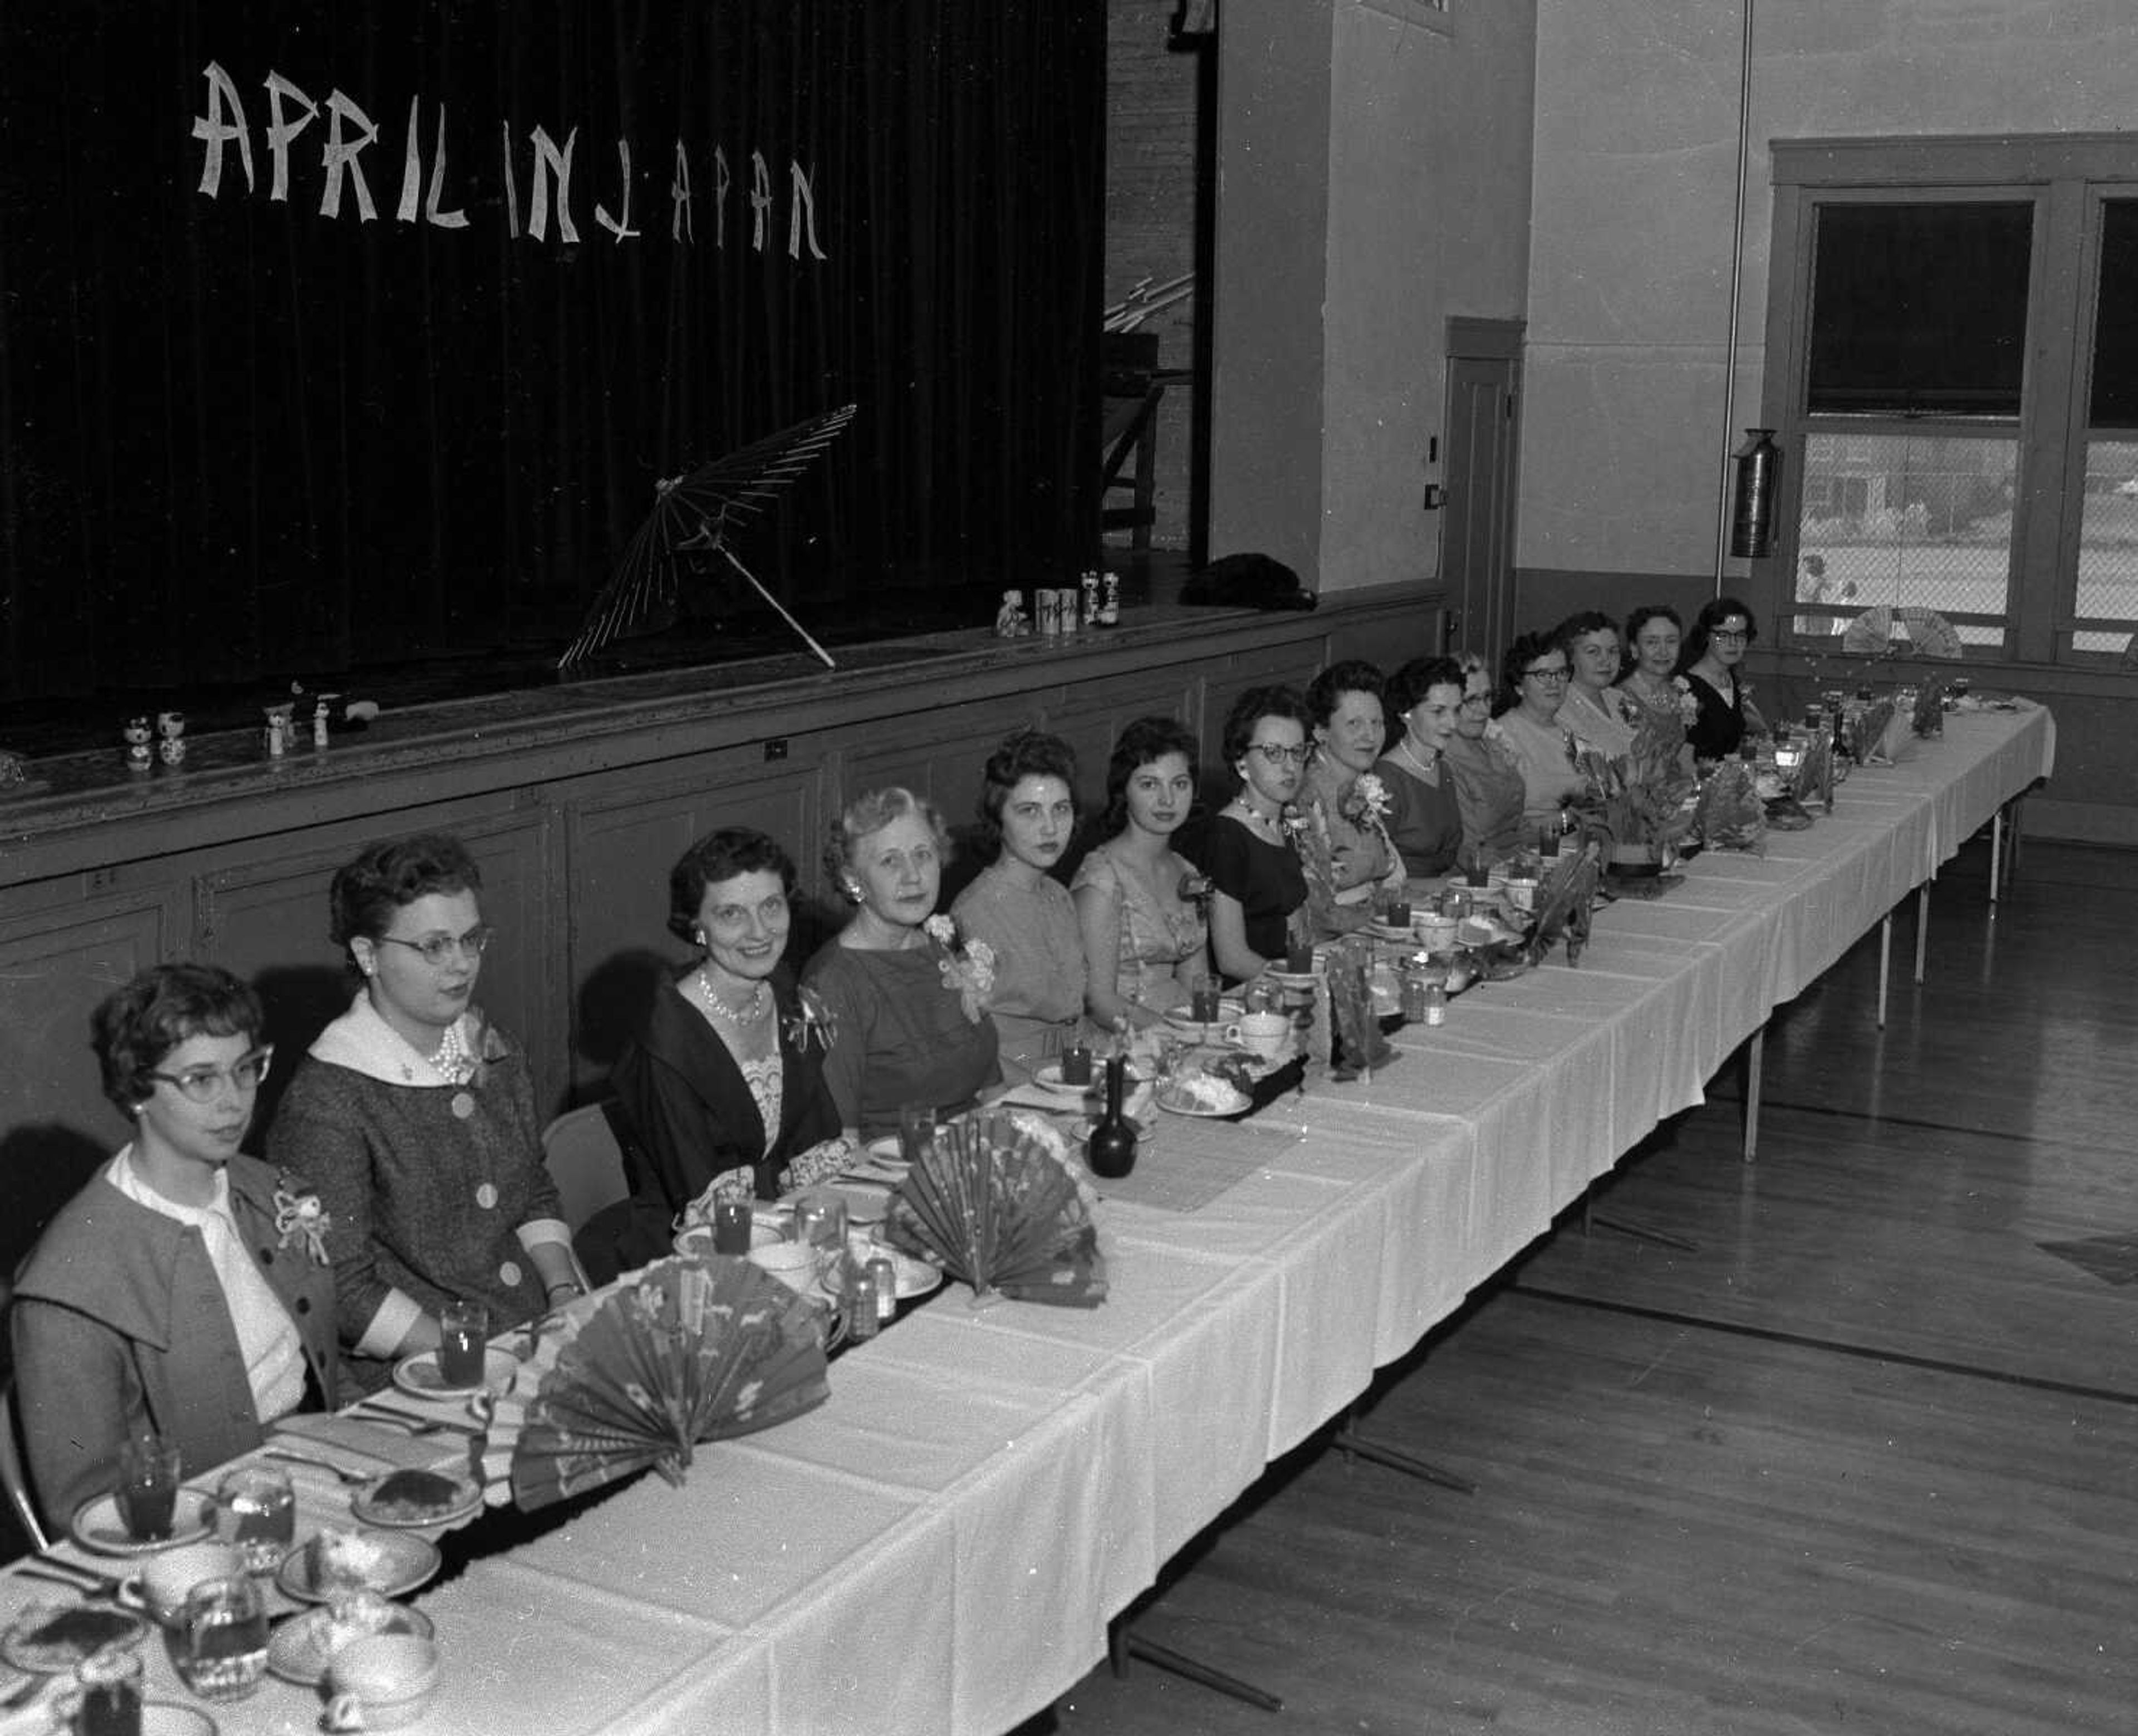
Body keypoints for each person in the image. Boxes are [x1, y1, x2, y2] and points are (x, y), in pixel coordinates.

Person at [13, 964, 339, 1527]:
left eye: (245, 1070)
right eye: (201, 1080)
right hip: (189, 1532)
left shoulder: (266, 1190)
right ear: (137, 1089)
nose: (235, 1102)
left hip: (317, 1470)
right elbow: (89, 1511)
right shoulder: (67, 1285)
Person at [267, 832, 581, 1395]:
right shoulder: (326, 1099)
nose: (461, 964)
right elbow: (340, 1283)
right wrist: (470, 1355)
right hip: (415, 1375)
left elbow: (530, 1188)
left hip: (525, 1337)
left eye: (471, 939)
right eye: (434, 946)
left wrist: (562, 1290)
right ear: (368, 955)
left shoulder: (492, 1045)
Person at [602, 828, 849, 1271]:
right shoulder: (663, 1038)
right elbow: (702, 1197)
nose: (759, 932)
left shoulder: (785, 995)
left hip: (783, 1232)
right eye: (732, 914)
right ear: (698, 927)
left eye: (771, 907)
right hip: (695, 1255)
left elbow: (815, 1145)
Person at [802, 788, 1002, 1137]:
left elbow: (991, 1091)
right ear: (853, 880)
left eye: (923, 855)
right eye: (890, 861)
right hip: (889, 1171)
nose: (913, 876)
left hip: (973, 1157)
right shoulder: (834, 981)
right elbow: (842, 1142)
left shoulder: (944, 944)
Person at [950, 729, 1090, 1080]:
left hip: (1072, 1069)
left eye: (1061, 810)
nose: (1049, 828)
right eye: (1029, 811)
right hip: (1014, 1082)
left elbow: (1076, 1017)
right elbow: (967, 1045)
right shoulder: (974, 912)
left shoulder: (1058, 895)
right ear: (999, 818)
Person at [1071, 715, 1211, 1027]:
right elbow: (1098, 1001)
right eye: (1149, 784)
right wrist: (1175, 1035)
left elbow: (1196, 984)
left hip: (1182, 1030)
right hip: (1122, 1040)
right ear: (1124, 790)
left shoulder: (1189, 872)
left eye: (1180, 784)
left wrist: (1207, 1033)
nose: (1167, 799)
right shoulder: (1102, 878)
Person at [1202, 685, 1313, 983]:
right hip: (1248, 996)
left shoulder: (1281, 822)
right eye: (1273, 753)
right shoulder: (1227, 835)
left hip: (1286, 979)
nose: (1290, 767)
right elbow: (1231, 958)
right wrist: (1299, 984)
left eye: (1298, 752)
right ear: (1241, 761)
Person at [1296, 661, 1405, 936]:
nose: (1370, 735)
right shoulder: (1306, 797)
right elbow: (1317, 911)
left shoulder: (1359, 782)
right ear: (1321, 731)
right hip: (1329, 945)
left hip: (1371, 930)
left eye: (1377, 723)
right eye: (1354, 723)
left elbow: (1392, 877)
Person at [1374, 656, 1467, 877]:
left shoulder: (1442, 770)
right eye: (1438, 712)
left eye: (1456, 710)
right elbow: (1379, 873)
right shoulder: (1385, 778)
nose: (1452, 723)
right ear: (1406, 713)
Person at [1493, 632, 1591, 830]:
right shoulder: (1501, 735)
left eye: (1561, 673)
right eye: (1543, 675)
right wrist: (1566, 820)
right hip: (1531, 847)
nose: (1554, 682)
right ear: (1519, 686)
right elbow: (1502, 824)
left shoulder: (1570, 731)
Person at [1442, 651, 1529, 865]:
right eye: (1471, 700)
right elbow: (1470, 851)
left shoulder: (1491, 742)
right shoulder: (1445, 761)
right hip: (1482, 874)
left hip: (1516, 859)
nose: (1484, 710)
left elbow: (1516, 824)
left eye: (1488, 697)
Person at [1680, 595, 1768, 762]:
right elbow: (1683, 761)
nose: (1733, 643)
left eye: (1740, 635)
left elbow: (1758, 731)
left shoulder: (1731, 679)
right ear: (1706, 636)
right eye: (1723, 635)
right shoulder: (1686, 689)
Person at [1617, 604, 1698, 776]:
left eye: (1671, 641)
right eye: (1652, 642)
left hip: (1679, 789)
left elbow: (1685, 758)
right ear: (1634, 649)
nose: (1663, 651)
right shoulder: (1622, 700)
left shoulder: (1680, 691)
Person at [1553, 610, 1642, 761]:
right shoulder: (1557, 706)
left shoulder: (1622, 699)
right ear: (1570, 657)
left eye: (1613, 651)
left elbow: (1650, 747)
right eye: (1593, 652)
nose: (1606, 660)